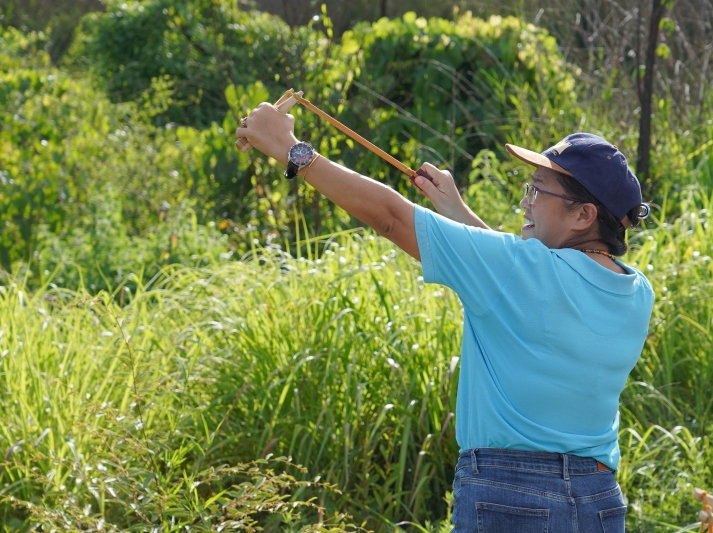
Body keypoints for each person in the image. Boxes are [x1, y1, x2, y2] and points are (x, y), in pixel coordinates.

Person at [237, 103, 654, 533]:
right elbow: (528, 279)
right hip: (598, 501)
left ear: (583, 214)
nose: (525, 203)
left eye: (538, 191)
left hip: (511, 494)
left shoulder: (517, 270)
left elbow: (389, 216)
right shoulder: (636, 291)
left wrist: (291, 149)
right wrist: (457, 212)